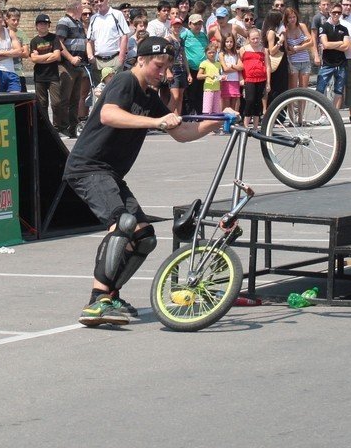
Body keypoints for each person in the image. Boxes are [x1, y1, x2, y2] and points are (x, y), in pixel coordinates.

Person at [64, 37, 228, 326]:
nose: (163, 74)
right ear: (141, 60)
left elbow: (182, 133)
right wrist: (155, 122)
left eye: (166, 68)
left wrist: (219, 119)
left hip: (111, 174)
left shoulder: (149, 95)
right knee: (123, 224)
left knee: (144, 236)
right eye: (158, 66)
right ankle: (96, 301)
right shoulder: (125, 81)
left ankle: (111, 295)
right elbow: (108, 114)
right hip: (89, 168)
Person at [54, 0, 89, 137]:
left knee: (75, 99)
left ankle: (73, 128)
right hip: (67, 66)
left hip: (78, 66)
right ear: (76, 7)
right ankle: (62, 127)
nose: (84, 9)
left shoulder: (78, 23)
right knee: (65, 98)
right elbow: (59, 43)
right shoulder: (64, 22)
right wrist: (71, 58)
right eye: (82, 6)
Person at [85, 0, 130, 83]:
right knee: (99, 89)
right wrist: (90, 56)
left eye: (101, 0)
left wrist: (121, 58)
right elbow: (89, 40)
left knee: (115, 88)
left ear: (107, 0)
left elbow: (124, 36)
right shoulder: (93, 18)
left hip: (114, 59)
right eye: (96, 2)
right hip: (98, 62)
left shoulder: (117, 14)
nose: (99, 3)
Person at [29, 14, 61, 127]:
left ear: (49, 25)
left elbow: (57, 56)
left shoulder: (54, 38)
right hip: (39, 76)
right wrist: (49, 54)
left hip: (53, 75)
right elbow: (34, 59)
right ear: (36, 26)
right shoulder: (34, 41)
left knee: (56, 103)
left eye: (46, 23)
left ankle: (57, 126)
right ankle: (46, 126)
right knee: (42, 103)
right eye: (41, 23)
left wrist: (40, 58)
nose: (43, 25)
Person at [316, 4, 349, 108]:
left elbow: (346, 46)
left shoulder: (344, 29)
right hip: (327, 63)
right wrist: (339, 42)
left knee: (338, 90)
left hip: (340, 63)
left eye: (339, 13)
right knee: (320, 89)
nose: (336, 15)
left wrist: (331, 45)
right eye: (334, 12)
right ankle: (323, 114)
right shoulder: (324, 27)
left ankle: (334, 112)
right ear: (330, 13)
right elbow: (325, 44)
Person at [240, 28, 269, 130]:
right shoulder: (243, 49)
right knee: (250, 100)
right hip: (249, 78)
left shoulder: (264, 50)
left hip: (261, 78)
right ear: (248, 39)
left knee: (258, 102)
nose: (255, 41)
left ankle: (256, 127)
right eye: (253, 39)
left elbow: (268, 66)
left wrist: (268, 82)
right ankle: (245, 125)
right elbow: (239, 65)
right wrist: (241, 78)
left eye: (257, 38)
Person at [0, 9, 24, 92]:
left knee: (16, 95)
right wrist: (11, 53)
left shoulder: (9, 32)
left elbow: (19, 51)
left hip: (11, 71)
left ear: (3, 18)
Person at [219, 32, 242, 113]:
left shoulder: (236, 54)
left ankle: (233, 119)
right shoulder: (222, 54)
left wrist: (231, 66)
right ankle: (225, 119)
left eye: (231, 42)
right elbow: (225, 69)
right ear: (224, 43)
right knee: (226, 103)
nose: (229, 44)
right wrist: (235, 67)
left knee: (234, 102)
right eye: (227, 42)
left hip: (235, 80)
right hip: (226, 81)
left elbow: (241, 67)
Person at [198, 42, 223, 114]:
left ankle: (214, 121)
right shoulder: (204, 63)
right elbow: (198, 76)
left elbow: (219, 75)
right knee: (207, 110)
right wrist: (208, 75)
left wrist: (222, 78)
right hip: (208, 89)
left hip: (217, 89)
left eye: (213, 52)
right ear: (206, 53)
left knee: (216, 111)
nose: (212, 54)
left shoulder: (218, 64)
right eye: (209, 53)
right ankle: (206, 120)